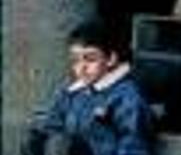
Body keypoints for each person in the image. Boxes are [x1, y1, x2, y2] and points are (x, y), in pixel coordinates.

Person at [22, 20, 154, 155]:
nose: (81, 67)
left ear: (111, 59)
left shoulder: (126, 98)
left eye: (90, 59)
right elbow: (50, 125)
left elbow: (134, 145)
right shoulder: (72, 92)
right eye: (75, 60)